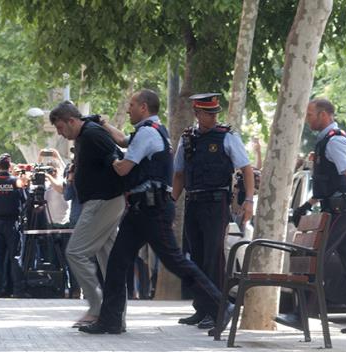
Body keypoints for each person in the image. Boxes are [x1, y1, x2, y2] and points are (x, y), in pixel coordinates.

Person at [79, 89, 233, 335]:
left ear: (143, 107)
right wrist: (104, 125)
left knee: (176, 262)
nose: (128, 109)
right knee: (118, 263)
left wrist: (109, 158)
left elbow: (123, 169)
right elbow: (122, 140)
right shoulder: (149, 131)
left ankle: (222, 306)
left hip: (153, 210)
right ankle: (110, 320)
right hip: (141, 209)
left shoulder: (147, 134)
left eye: (131, 104)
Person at [292, 98, 346, 333]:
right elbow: (329, 184)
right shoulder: (323, 142)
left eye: (310, 114)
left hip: (341, 212)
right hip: (332, 209)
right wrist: (307, 205)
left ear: (324, 115)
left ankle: (299, 315)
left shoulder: (336, 140)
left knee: (314, 257)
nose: (307, 119)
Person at [171, 93, 254, 330]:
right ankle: (201, 308)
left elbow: (246, 169)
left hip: (216, 203)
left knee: (213, 257)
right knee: (195, 257)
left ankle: (217, 310)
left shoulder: (227, 136)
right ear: (197, 113)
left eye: (215, 113)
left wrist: (248, 199)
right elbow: (179, 174)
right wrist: (170, 203)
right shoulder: (187, 139)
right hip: (194, 203)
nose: (213, 117)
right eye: (208, 113)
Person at [49, 101, 125, 327]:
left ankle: (97, 307)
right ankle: (115, 317)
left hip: (103, 201)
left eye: (61, 127)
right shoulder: (87, 133)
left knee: (75, 252)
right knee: (110, 262)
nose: (60, 134)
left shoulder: (92, 135)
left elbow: (116, 158)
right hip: (103, 201)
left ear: (72, 121)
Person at [0, 153, 26, 297]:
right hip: (12, 223)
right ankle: (18, 291)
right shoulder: (16, 182)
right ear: (9, 166)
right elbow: (24, 199)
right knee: (15, 257)